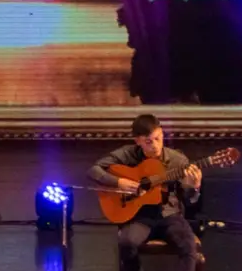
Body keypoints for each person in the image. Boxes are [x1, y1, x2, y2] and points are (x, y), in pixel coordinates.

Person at [87, 114, 203, 271]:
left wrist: (194, 187)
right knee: (126, 243)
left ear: (162, 134)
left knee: (188, 245)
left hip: (170, 216)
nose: (155, 145)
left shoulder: (178, 161)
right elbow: (94, 170)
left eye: (158, 138)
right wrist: (119, 182)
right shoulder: (128, 154)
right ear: (138, 141)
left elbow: (189, 201)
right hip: (139, 217)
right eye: (148, 142)